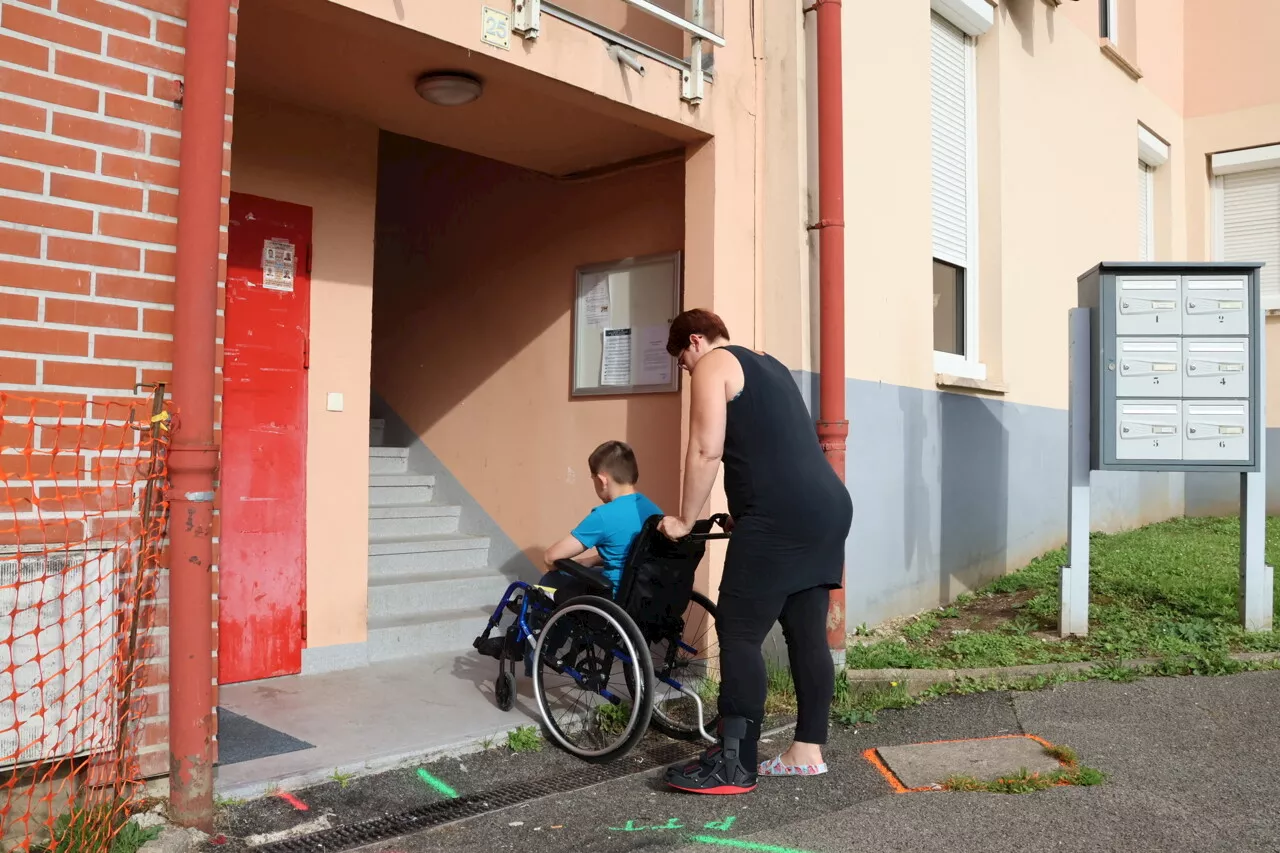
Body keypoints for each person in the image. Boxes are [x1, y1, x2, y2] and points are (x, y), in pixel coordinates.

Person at [658, 309, 853, 795]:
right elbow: (775, 450)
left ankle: (734, 764)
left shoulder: (712, 364)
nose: (687, 370)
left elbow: (706, 449)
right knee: (806, 631)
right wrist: (741, 516)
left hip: (780, 518)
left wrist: (684, 520)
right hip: (825, 508)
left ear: (695, 341)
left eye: (683, 360)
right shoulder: (771, 365)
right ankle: (806, 751)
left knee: (739, 629)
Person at [476, 440, 662, 661]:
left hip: (612, 602)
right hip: (644, 597)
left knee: (553, 578)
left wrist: (564, 565)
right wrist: (592, 561)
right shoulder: (653, 511)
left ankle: (529, 651)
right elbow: (633, 555)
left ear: (602, 480)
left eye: (593, 478)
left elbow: (551, 556)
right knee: (572, 580)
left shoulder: (604, 516)